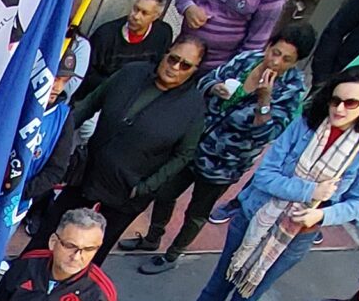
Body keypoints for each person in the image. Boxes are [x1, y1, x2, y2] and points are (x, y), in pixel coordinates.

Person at [158, 65, 359, 301]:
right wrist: (310, 192)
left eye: (351, 103)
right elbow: (265, 175)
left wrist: (321, 214)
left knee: (245, 297)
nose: (340, 109)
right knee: (219, 284)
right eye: (335, 100)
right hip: (256, 215)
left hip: (297, 234)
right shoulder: (306, 124)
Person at [121, 25, 315, 271]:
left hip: (225, 163)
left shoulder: (291, 91)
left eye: (286, 59)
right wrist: (214, 87)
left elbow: (267, 134)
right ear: (268, 46)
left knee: (196, 211)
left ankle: (172, 255)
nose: (275, 62)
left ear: (295, 63)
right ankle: (152, 238)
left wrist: (264, 100)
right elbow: (206, 80)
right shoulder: (247, 61)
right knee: (164, 192)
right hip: (194, 144)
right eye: (274, 52)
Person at [44, 34, 209, 264]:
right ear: (166, 54)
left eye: (185, 65)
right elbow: (89, 105)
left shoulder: (193, 107)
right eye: (173, 59)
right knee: (53, 231)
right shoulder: (131, 73)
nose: (175, 67)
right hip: (88, 173)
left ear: (195, 70)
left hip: (127, 192)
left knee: (93, 251)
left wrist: (145, 187)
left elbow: (184, 155)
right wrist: (54, 139)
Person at [55, 0, 171, 101]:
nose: (136, 16)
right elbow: (87, 77)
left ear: (156, 16)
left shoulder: (163, 34)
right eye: (136, 9)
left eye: (144, 13)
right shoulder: (105, 35)